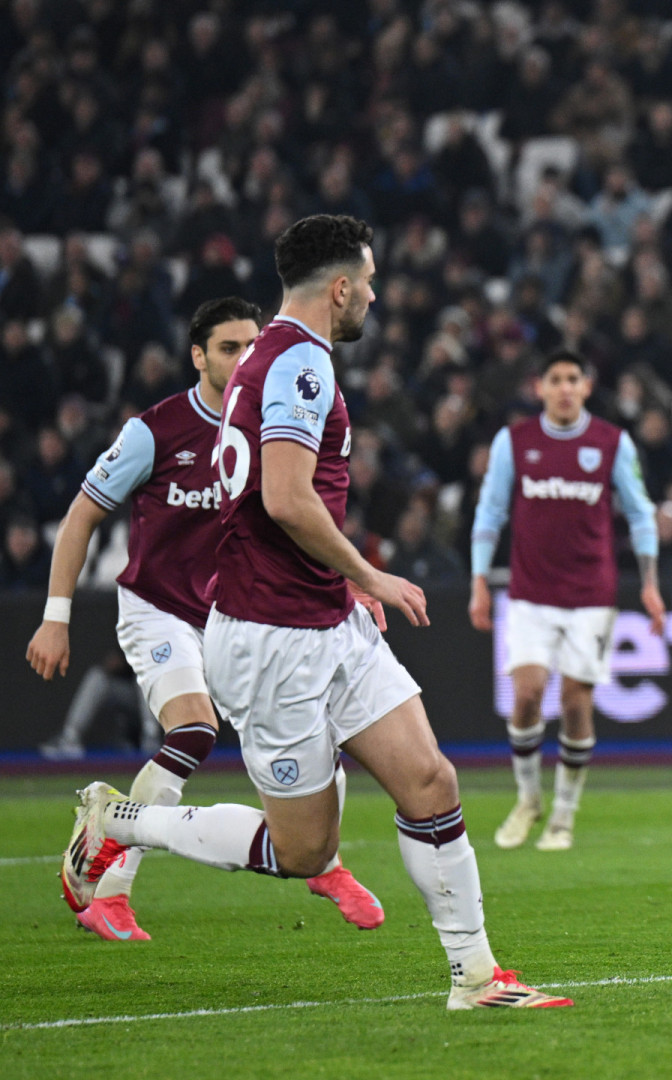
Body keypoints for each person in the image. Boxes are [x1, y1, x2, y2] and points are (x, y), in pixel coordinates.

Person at [61, 215, 570, 1008]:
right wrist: (376, 571)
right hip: (272, 640)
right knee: (303, 851)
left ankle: (476, 976)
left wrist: (350, 585)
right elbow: (287, 498)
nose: (373, 294)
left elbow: (290, 500)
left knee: (431, 782)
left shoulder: (268, 356)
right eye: (366, 281)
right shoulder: (299, 361)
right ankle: (123, 820)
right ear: (339, 288)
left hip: (329, 621)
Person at [29, 296, 383, 941]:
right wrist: (57, 617)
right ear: (197, 356)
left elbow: (298, 518)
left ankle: (321, 861)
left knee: (324, 714)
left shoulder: (271, 427)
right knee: (194, 729)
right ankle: (111, 888)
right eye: (228, 347)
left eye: (253, 345)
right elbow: (82, 514)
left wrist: (347, 581)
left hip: (235, 613)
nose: (247, 357)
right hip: (160, 609)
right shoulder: (156, 430)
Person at [468, 350, 664, 851]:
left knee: (577, 701)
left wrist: (649, 582)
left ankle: (564, 815)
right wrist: (477, 582)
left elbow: (641, 514)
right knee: (528, 693)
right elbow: (490, 512)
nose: (564, 387)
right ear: (540, 388)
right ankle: (529, 798)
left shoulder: (610, 443)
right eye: (554, 379)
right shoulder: (515, 442)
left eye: (572, 378)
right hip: (531, 592)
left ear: (586, 386)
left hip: (591, 595)